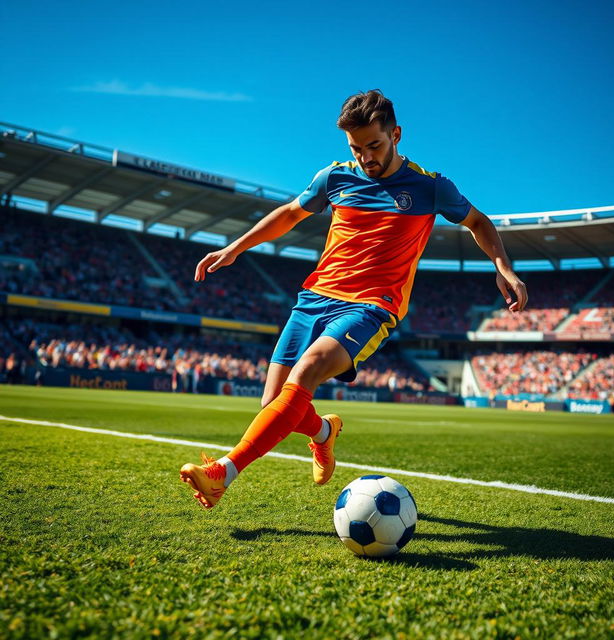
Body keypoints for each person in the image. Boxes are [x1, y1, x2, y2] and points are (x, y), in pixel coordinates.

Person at [180, 90, 528, 509]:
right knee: (273, 404)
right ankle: (324, 434)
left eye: (375, 145)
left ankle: (222, 472)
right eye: (357, 148)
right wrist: (235, 247)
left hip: (371, 304)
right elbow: (291, 213)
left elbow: (478, 221)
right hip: (315, 297)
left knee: (306, 371)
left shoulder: (430, 187)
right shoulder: (335, 178)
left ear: (396, 134)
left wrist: (503, 267)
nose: (366, 157)